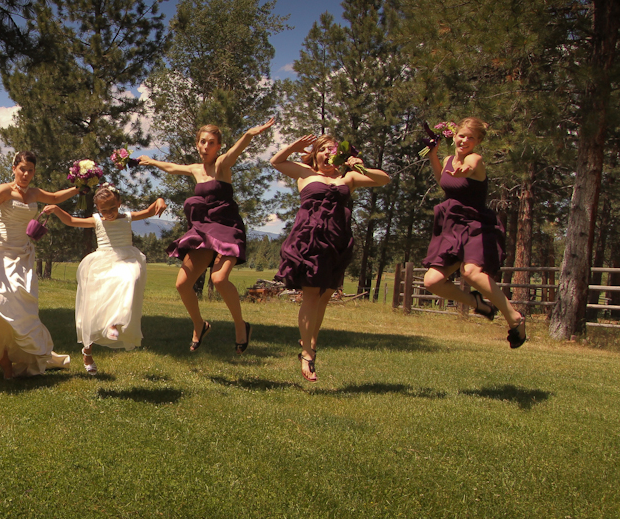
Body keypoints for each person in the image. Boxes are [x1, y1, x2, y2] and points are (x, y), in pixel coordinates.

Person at [138, 118, 276, 354]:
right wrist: (151, 161)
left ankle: (241, 327)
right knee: (182, 284)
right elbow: (172, 167)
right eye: (202, 142)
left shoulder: (222, 164)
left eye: (211, 143)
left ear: (218, 146)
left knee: (219, 279)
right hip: (204, 231)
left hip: (227, 229)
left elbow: (235, 152)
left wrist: (249, 134)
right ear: (197, 144)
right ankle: (200, 325)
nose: (205, 147)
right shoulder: (195, 169)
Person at [271, 134, 390, 382]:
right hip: (310, 238)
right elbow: (276, 161)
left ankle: (311, 344)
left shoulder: (348, 177)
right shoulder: (304, 173)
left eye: (333, 150)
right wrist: (294, 147)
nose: (328, 153)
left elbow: (384, 179)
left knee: (324, 296)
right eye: (323, 149)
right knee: (312, 292)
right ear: (315, 154)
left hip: (338, 241)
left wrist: (359, 164)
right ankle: (307, 354)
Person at [0, 151, 78, 378]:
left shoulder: (34, 193)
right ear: (14, 168)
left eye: (30, 170)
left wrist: (79, 188)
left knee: (19, 307)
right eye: (22, 169)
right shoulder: (5, 190)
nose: (26, 174)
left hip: (22, 254)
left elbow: (55, 197)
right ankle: (0, 354)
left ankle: (11, 356)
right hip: (0, 249)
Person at [422, 117, 526, 348]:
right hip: (451, 224)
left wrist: (463, 170)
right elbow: (444, 181)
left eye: (471, 137)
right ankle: (478, 304)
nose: (465, 140)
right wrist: (434, 155)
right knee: (432, 281)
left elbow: (468, 168)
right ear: (454, 135)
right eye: (462, 135)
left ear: (478, 141)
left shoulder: (474, 159)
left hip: (476, 225)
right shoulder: (449, 159)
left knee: (472, 273)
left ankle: (514, 318)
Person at [42, 185, 166, 375]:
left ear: (119, 203)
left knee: (130, 279)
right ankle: (87, 351)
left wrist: (159, 200)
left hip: (126, 259)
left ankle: (113, 323)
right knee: (93, 307)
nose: (108, 214)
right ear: (98, 209)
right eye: (104, 210)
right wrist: (57, 209)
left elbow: (149, 211)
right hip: (103, 262)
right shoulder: (97, 221)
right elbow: (72, 221)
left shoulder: (128, 218)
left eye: (112, 209)